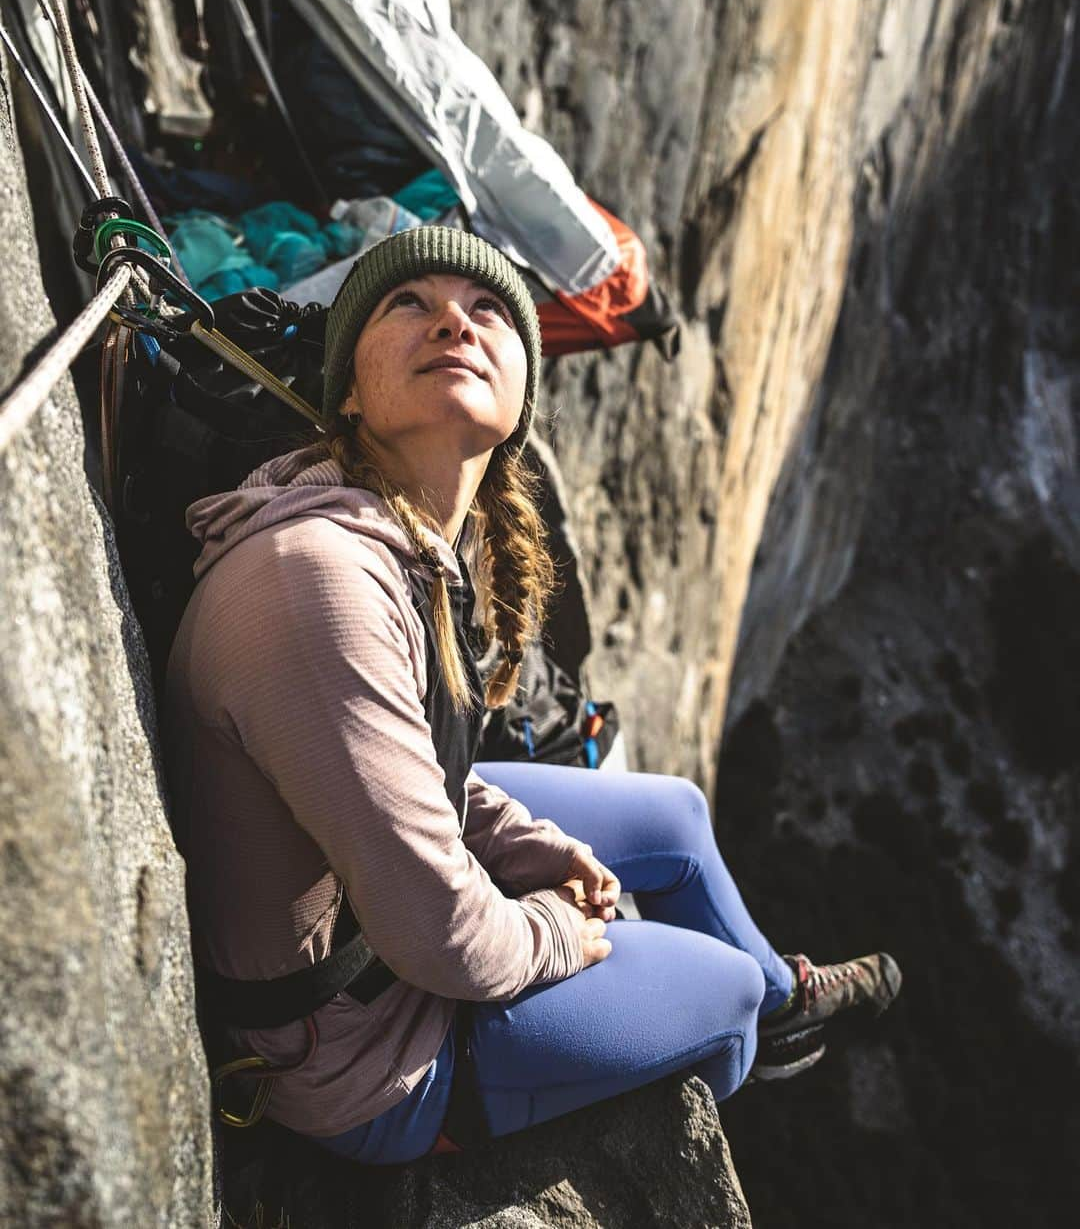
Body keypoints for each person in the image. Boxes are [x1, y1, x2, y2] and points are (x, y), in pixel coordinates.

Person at [164, 227, 901, 1165]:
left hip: (370, 923)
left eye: (487, 312)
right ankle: (732, 1035)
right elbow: (444, 937)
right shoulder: (325, 584)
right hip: (356, 1053)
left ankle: (783, 998)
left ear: (518, 401)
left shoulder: (400, 539)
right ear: (346, 389)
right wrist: (566, 928)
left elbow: (410, 772)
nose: (451, 324)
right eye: (407, 304)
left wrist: (530, 845)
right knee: (728, 1003)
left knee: (672, 817)